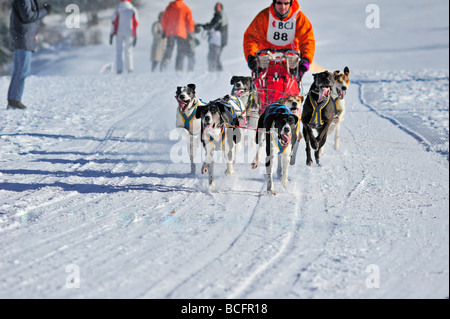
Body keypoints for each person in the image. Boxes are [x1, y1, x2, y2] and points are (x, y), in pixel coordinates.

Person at [243, 0, 315, 76]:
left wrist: (306, 59)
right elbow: (251, 38)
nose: (283, 7)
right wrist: (251, 56)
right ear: (274, 3)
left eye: (286, 3)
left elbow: (307, 40)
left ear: (290, 3)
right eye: (279, 3)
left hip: (290, 64)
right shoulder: (264, 17)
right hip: (265, 64)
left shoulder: (299, 18)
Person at [7, 0, 50, 109]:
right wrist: (44, 11)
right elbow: (28, 16)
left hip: (23, 38)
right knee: (22, 71)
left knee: (19, 71)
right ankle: (15, 101)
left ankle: (13, 100)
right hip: (23, 39)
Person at [160, 0, 196, 72]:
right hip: (181, 32)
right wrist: (191, 31)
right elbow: (189, 21)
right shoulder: (185, 8)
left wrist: (164, 29)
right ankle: (179, 68)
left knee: (169, 47)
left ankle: (166, 60)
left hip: (170, 31)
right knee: (180, 50)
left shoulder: (170, 7)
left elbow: (164, 18)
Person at [110, 0, 139, 74]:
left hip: (119, 32)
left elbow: (113, 22)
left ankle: (119, 69)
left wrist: (111, 34)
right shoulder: (133, 9)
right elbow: (136, 23)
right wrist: (136, 35)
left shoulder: (118, 8)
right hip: (130, 32)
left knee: (119, 51)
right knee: (128, 51)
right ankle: (130, 68)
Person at [198, 2, 228, 72]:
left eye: (218, 7)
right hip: (219, 41)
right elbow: (213, 25)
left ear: (221, 8)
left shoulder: (220, 16)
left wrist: (204, 26)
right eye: (216, 7)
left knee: (212, 57)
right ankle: (219, 72)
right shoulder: (219, 16)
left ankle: (212, 72)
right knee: (216, 57)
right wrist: (204, 26)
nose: (217, 8)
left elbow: (213, 25)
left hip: (217, 40)